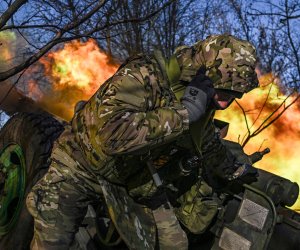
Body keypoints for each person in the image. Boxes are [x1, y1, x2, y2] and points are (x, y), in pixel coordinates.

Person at [26, 34, 259, 249]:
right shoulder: (143, 74)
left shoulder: (200, 98)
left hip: (134, 180)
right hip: (80, 167)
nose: (223, 105)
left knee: (175, 244)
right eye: (222, 92)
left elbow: (207, 143)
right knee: (53, 243)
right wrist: (184, 114)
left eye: (233, 97)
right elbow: (113, 136)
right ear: (202, 72)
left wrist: (234, 171)